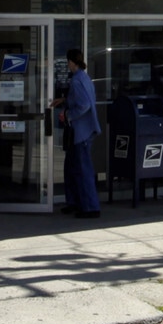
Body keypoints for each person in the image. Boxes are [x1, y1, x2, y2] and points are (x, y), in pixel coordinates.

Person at [59, 47, 101, 217]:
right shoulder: (84, 78)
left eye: (68, 62)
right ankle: (75, 202)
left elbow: (84, 105)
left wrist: (68, 114)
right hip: (84, 130)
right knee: (71, 167)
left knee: (82, 170)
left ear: (71, 62)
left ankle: (90, 207)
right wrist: (64, 100)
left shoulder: (77, 80)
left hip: (81, 132)